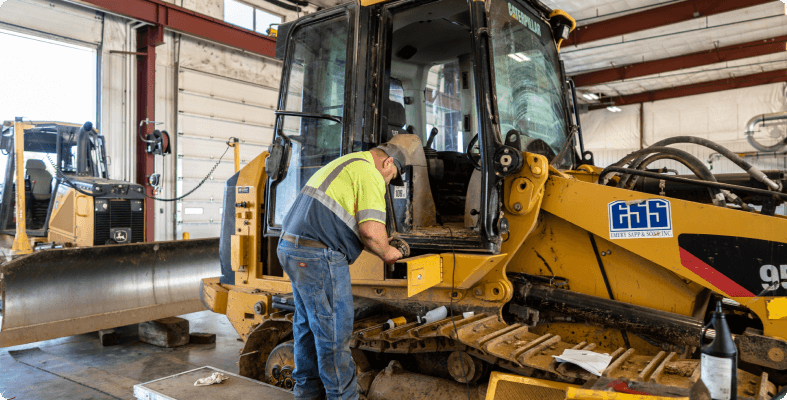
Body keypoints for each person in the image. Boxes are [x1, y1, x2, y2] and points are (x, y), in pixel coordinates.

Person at [277, 139, 408, 400]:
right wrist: (388, 252)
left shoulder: (347, 163)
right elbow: (371, 232)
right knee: (333, 335)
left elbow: (355, 230)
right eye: (390, 177)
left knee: (307, 328)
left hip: (291, 249)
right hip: (318, 257)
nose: (386, 183)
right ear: (388, 162)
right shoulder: (370, 174)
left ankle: (306, 395)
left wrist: (379, 244)